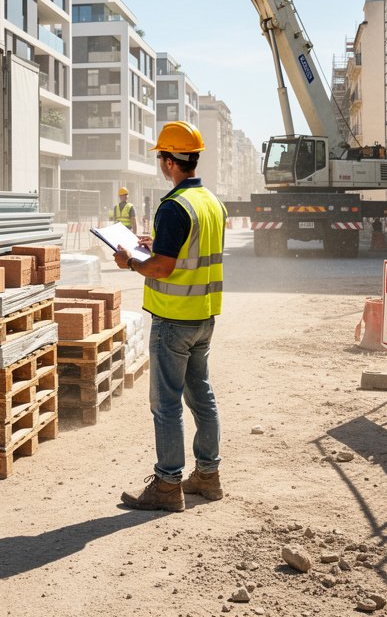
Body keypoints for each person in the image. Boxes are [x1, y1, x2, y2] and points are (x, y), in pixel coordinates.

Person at [113, 120, 226, 513]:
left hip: (174, 318)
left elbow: (162, 269)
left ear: (168, 161)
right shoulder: (211, 202)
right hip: (204, 316)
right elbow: (186, 251)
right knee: (202, 397)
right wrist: (155, 244)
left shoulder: (174, 206)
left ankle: (167, 485)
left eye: (161, 156)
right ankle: (208, 477)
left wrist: (130, 261)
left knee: (167, 404)